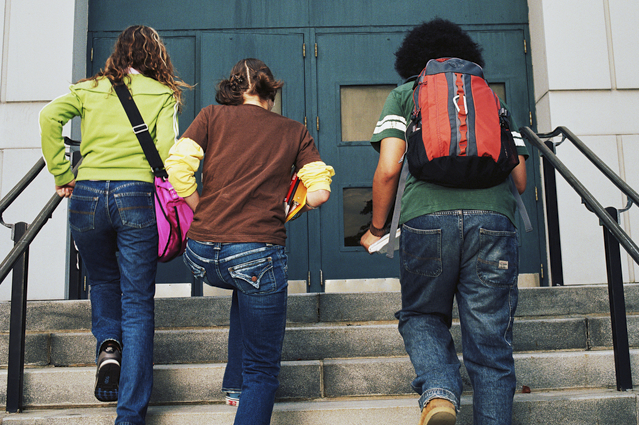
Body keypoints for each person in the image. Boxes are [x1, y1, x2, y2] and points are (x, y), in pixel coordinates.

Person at [360, 19, 528, 425]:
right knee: (490, 344)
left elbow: (387, 170)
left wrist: (376, 229)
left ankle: (438, 394)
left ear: (413, 59)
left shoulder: (406, 94)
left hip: (426, 220)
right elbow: (520, 180)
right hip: (494, 221)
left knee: (422, 315)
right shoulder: (492, 99)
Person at [165, 58, 334, 425]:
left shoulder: (211, 116)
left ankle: (234, 386)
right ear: (270, 90)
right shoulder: (294, 131)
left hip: (201, 253)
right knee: (263, 369)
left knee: (247, 288)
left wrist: (200, 208)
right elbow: (320, 192)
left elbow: (177, 167)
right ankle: (246, 384)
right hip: (255, 251)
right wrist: (286, 209)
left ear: (234, 88)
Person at [39, 25, 191, 425]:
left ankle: (109, 346)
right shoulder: (163, 95)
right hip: (135, 196)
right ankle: (129, 415)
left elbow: (48, 116)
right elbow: (165, 153)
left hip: (87, 195)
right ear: (155, 56)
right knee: (138, 302)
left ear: (118, 54)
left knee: (103, 281)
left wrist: (61, 172)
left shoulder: (89, 89)